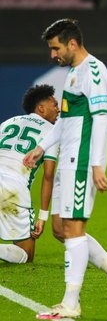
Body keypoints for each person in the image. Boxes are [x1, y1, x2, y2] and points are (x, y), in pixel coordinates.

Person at [23, 19, 107, 319]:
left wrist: (97, 164)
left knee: (74, 229)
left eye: (55, 48)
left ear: (72, 43)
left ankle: (71, 303)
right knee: (61, 229)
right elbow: (65, 120)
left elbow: (100, 118)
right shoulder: (75, 73)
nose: (53, 55)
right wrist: (42, 147)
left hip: (82, 161)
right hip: (68, 159)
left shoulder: (95, 72)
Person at [0, 85, 59, 263]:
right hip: (14, 190)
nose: (58, 110)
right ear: (41, 108)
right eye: (54, 105)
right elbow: (48, 175)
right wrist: (42, 216)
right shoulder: (52, 132)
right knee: (26, 254)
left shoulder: (8, 122)